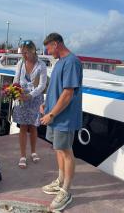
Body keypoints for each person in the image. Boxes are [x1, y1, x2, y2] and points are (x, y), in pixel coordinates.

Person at [40, 33, 83, 211]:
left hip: (63, 118)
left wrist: (51, 114)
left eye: (49, 48)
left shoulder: (72, 62)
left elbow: (68, 93)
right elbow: (56, 89)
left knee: (66, 151)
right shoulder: (59, 63)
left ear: (56, 44)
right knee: (58, 148)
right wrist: (46, 105)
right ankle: (60, 181)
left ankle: (66, 191)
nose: (48, 52)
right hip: (55, 115)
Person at [13, 40, 47, 168]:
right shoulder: (20, 63)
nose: (23, 55)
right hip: (22, 97)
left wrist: (30, 95)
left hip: (34, 98)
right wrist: (14, 91)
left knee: (33, 126)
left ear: (32, 51)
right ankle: (22, 155)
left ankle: (33, 152)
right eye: (22, 52)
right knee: (22, 126)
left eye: (25, 52)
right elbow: (16, 80)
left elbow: (42, 85)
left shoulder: (41, 65)